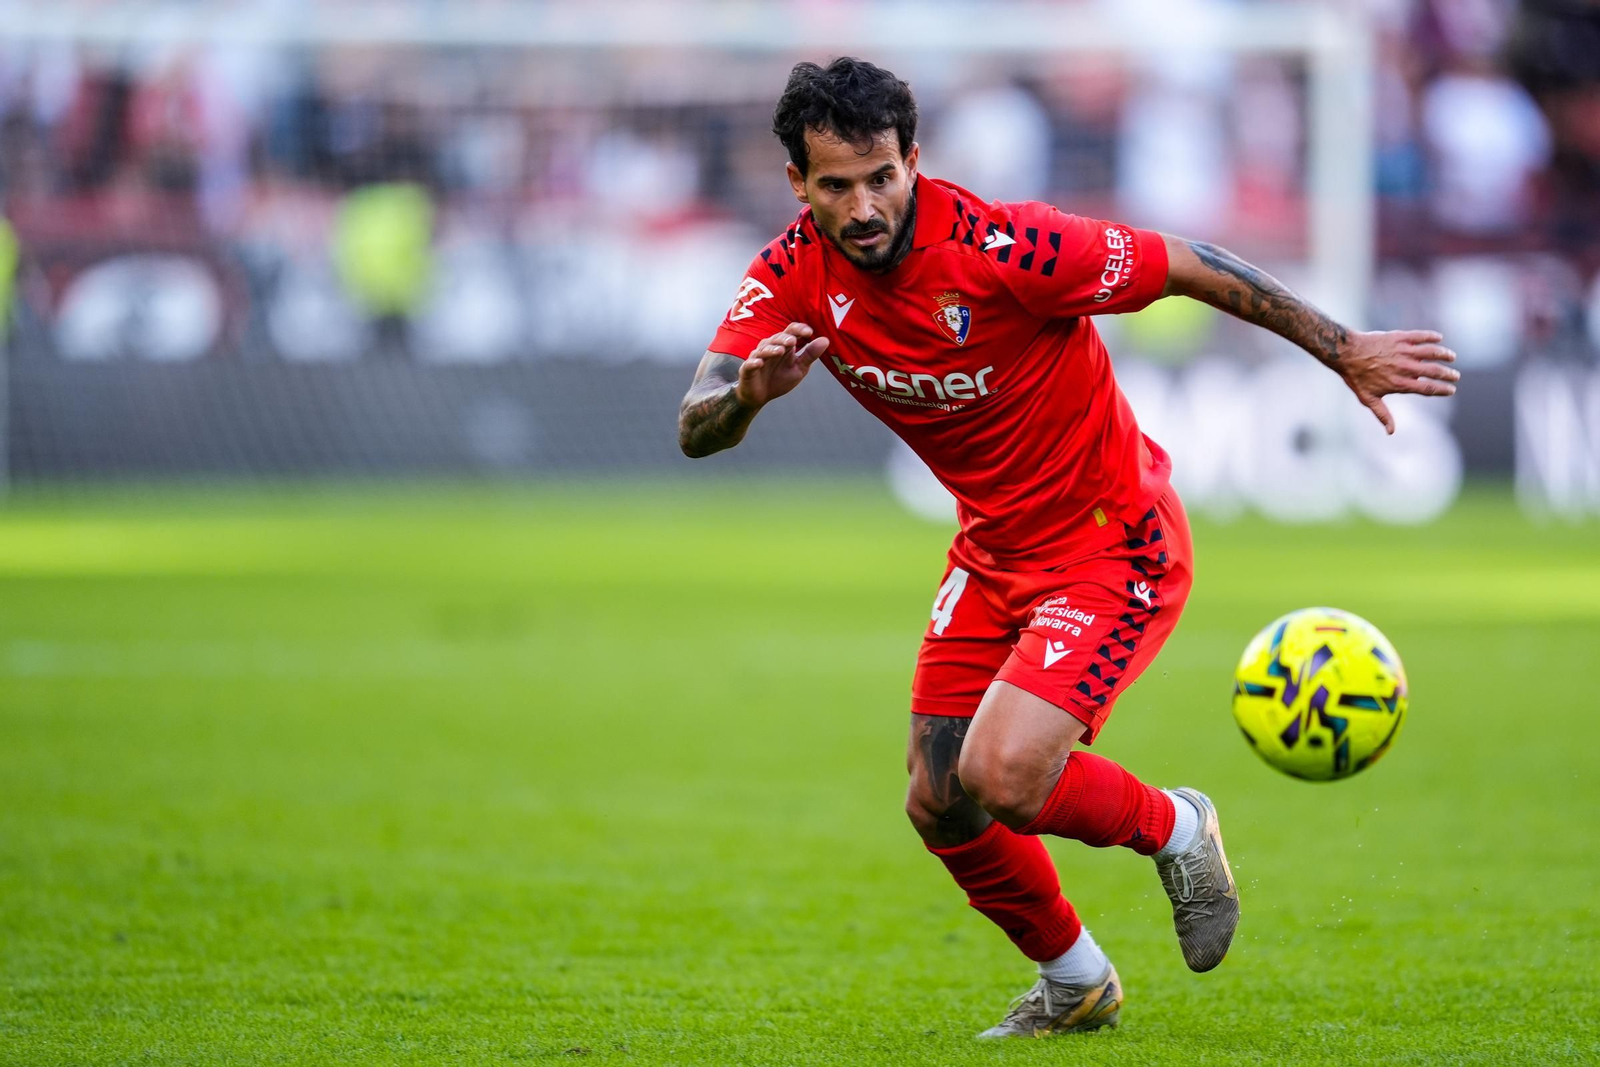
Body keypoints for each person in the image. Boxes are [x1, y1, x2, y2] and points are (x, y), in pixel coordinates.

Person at [676, 58, 1457, 1039]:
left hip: (1112, 543)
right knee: (937, 801)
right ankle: (1076, 980)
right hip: (990, 553)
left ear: (914, 158)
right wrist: (746, 395)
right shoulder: (790, 271)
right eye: (836, 184)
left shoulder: (1006, 247)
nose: (865, 203)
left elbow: (1183, 261)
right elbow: (694, 421)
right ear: (798, 183)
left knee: (1001, 776)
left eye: (882, 175)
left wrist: (1340, 345)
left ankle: (1177, 824)